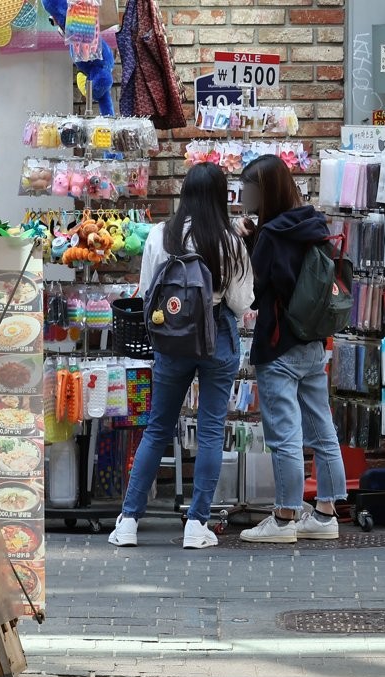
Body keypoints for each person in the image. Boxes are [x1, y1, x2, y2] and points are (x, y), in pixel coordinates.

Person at [109, 163, 253, 549]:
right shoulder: (230, 241)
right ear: (221, 196)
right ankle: (196, 524)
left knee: (157, 428)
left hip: (171, 338)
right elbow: (242, 303)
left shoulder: (161, 234)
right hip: (217, 336)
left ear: (185, 193)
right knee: (209, 432)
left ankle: (128, 522)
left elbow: (146, 291)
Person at [235, 154, 347, 544]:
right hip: (312, 341)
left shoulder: (271, 235)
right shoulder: (312, 225)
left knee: (284, 434)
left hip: (279, 343)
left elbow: (255, 291)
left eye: (249, 189)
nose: (244, 195)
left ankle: (284, 517)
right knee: (321, 428)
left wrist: (249, 245)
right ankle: (327, 513)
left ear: (265, 192)